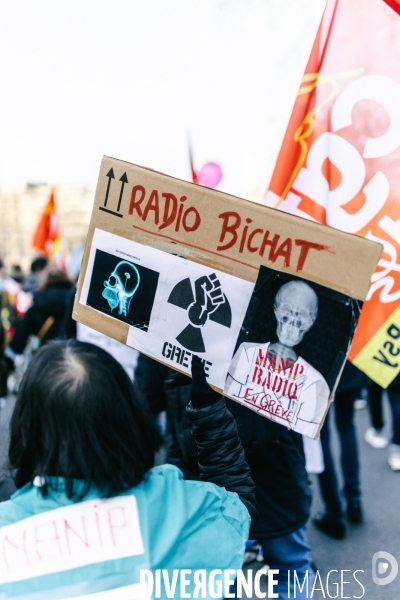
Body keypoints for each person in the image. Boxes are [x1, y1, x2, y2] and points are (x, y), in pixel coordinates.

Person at [0, 340, 257, 598]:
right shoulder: (177, 510)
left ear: (27, 427)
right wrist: (208, 409)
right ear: (126, 414)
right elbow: (237, 512)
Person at [225, 280, 329, 438]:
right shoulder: (247, 354)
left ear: (311, 321)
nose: (292, 321)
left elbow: (305, 432)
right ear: (276, 311)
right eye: (286, 313)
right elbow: (229, 404)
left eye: (300, 316)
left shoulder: (316, 384)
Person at [313, 362, 367, 539]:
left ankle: (334, 511)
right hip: (351, 364)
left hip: (322, 365)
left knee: (321, 434)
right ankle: (354, 499)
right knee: (347, 427)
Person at [5, 267, 73, 364]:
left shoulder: (37, 303)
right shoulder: (74, 303)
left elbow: (20, 335)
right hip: (70, 357)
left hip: (44, 357)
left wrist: (10, 358)